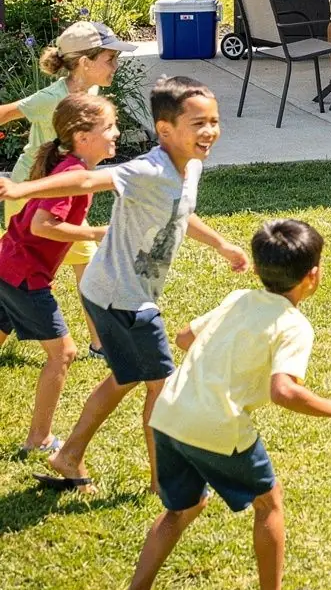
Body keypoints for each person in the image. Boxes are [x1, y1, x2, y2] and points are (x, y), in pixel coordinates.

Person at [95, 217, 331, 590]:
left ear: (257, 269)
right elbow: (284, 391)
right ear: (313, 276)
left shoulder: (240, 298)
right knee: (269, 505)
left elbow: (185, 336)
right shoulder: (294, 325)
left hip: (169, 413)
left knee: (179, 509)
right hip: (218, 426)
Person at [0, 75, 249, 492]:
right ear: (165, 130)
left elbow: (180, 214)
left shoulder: (190, 168)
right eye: (198, 123)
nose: (209, 131)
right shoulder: (148, 169)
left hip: (110, 290)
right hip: (124, 298)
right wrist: (22, 187)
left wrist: (221, 244)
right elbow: (84, 180)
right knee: (162, 386)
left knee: (124, 376)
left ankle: (69, 454)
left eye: (214, 121)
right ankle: (164, 481)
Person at [0, 20, 137, 357]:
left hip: (59, 188)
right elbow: (7, 112)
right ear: (85, 63)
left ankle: (100, 343)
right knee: (25, 272)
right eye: (110, 59)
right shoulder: (52, 97)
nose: (116, 66)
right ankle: (101, 345)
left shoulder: (89, 92)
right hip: (30, 192)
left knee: (20, 276)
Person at [0, 96, 118, 456]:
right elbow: (43, 225)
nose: (116, 133)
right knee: (62, 354)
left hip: (7, 263)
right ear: (82, 136)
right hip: (24, 274)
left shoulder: (72, 166)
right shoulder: (71, 173)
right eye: (109, 127)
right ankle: (39, 439)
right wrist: (95, 233)